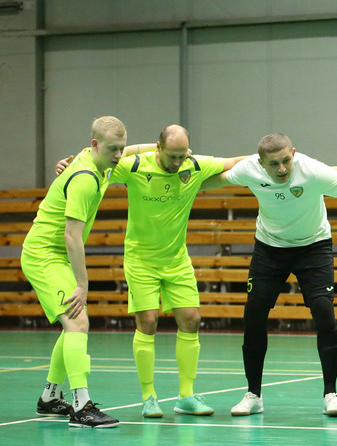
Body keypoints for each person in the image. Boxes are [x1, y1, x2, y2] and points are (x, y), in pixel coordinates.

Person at [58, 126, 247, 418]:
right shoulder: (134, 166)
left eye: (182, 156)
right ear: (158, 148)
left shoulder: (193, 166)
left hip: (177, 260)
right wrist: (68, 167)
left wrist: (273, 158)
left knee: (192, 320)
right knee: (147, 322)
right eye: (172, 156)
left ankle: (186, 396)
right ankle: (149, 397)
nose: (177, 162)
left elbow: (234, 162)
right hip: (141, 260)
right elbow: (96, 163)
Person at [202, 133, 337, 417]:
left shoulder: (311, 170)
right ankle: (253, 394)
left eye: (287, 160)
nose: (282, 169)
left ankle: (331, 395)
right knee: (254, 315)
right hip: (269, 248)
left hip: (314, 247)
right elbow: (215, 180)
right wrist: (180, 186)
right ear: (261, 163)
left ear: (293, 153)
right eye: (274, 164)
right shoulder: (248, 169)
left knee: (325, 314)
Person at [22, 116, 126, 428]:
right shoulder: (85, 179)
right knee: (78, 320)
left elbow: (134, 150)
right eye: (113, 149)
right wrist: (83, 283)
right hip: (43, 254)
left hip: (54, 254)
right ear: (95, 145)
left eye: (121, 148)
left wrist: (163, 148)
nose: (119, 155)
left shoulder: (97, 159)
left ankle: (50, 398)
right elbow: (71, 236)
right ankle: (81, 407)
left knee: (72, 324)